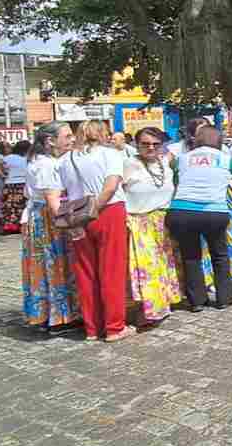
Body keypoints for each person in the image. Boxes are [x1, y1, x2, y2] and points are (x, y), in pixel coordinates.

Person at [57, 121, 132, 341]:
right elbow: (110, 188)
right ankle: (114, 327)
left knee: (85, 271)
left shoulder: (64, 160)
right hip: (107, 211)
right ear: (102, 134)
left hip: (76, 214)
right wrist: (94, 209)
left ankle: (92, 327)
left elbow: (63, 191)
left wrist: (81, 216)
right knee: (112, 270)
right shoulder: (110, 155)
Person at [167, 126, 232, 312]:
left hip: (182, 211)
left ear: (196, 140)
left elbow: (175, 179)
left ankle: (197, 300)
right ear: (219, 141)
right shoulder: (226, 159)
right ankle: (225, 297)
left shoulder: (182, 159)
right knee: (220, 255)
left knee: (190, 256)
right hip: (213, 212)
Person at [120, 126, 182, 326]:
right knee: (145, 269)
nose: (150, 148)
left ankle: (162, 304)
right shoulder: (129, 164)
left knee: (162, 266)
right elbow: (117, 191)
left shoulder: (166, 162)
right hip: (138, 222)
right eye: (145, 144)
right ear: (136, 145)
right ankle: (146, 311)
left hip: (162, 221)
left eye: (156, 144)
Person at [21, 122, 80, 329]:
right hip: (49, 220)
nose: (72, 140)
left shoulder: (42, 161)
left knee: (49, 266)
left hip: (43, 216)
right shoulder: (47, 165)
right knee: (54, 265)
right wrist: (70, 226)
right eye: (67, 136)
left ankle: (49, 313)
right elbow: (53, 200)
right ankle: (58, 316)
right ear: (50, 141)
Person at [0, 139, 31, 234]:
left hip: (10, 182)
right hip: (23, 182)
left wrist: (2, 174)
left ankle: (9, 226)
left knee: (9, 206)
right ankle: (22, 225)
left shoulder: (8, 157)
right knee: (22, 205)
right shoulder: (28, 158)